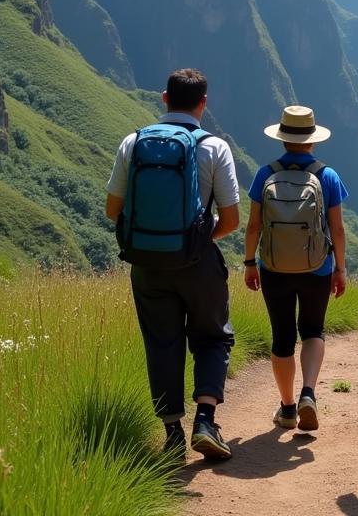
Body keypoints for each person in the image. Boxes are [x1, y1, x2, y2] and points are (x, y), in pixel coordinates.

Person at [106, 68, 240, 462]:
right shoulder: (216, 148)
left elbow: (113, 209)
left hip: (147, 264)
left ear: (164, 98)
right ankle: (205, 420)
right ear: (204, 103)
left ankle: (172, 436)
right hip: (198, 263)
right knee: (213, 337)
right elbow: (231, 220)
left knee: (162, 344)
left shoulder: (133, 143)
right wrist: (196, 239)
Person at [243, 105, 348, 433]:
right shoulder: (327, 175)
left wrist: (249, 263)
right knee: (313, 330)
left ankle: (287, 408)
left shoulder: (265, 174)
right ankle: (308, 393)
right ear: (312, 140)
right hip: (317, 267)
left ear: (282, 138)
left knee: (282, 337)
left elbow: (254, 225)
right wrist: (340, 269)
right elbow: (338, 229)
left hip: (274, 268)